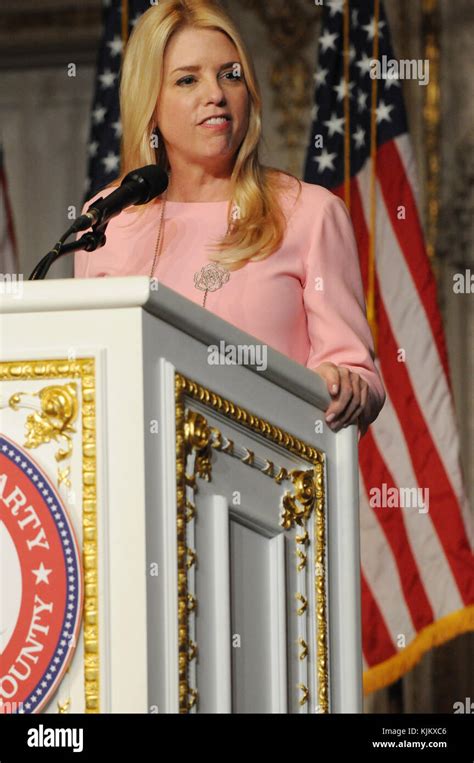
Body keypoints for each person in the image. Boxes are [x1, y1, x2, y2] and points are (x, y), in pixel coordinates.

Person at [75, 0, 385, 437]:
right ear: (151, 105)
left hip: (267, 481)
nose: (216, 94)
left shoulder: (309, 213)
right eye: (187, 80)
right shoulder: (108, 217)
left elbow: (358, 374)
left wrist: (349, 384)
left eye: (230, 75)